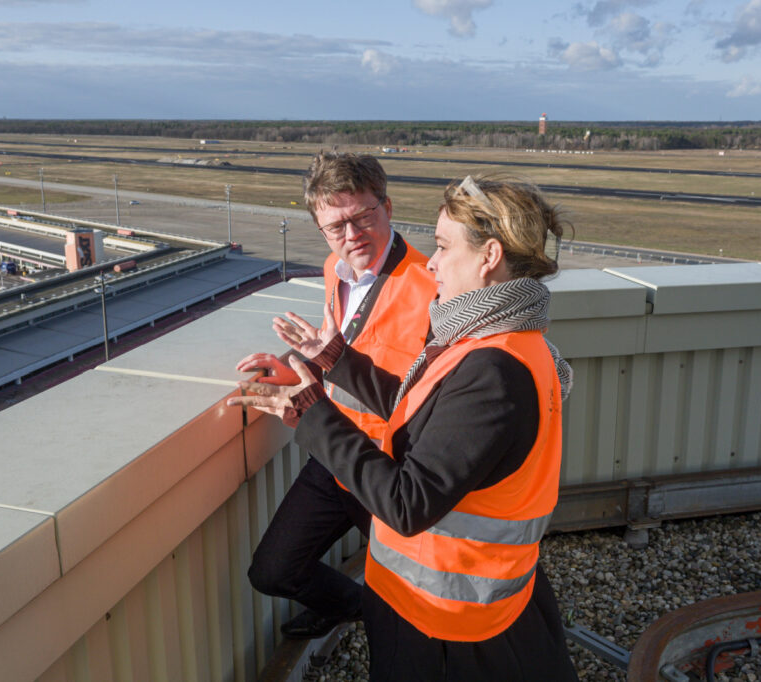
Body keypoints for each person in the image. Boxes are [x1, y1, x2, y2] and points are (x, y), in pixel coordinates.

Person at [229, 175, 579, 680]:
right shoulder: (506, 339)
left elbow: (407, 503)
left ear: (490, 256)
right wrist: (335, 359)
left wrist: (308, 411)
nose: (431, 261)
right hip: (449, 601)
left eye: (441, 246)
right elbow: (423, 410)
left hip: (446, 621)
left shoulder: (493, 369)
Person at [236, 152, 438, 639]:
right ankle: (354, 607)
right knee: (273, 571)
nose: (351, 236)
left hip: (385, 474)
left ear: (387, 207)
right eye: (335, 227)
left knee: (411, 610)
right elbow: (341, 350)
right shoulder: (336, 269)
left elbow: (427, 409)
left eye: (363, 217)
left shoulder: (430, 288)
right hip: (334, 455)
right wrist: (290, 369)